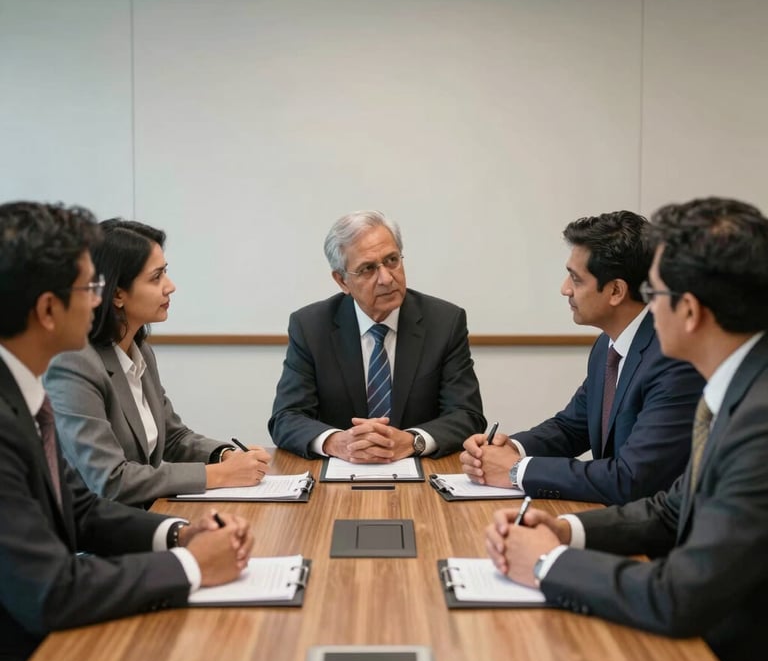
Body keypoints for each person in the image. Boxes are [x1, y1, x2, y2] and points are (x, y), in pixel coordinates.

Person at [484, 197, 768, 661]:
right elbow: (670, 507)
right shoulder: (742, 387)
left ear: (690, 311)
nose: (645, 304)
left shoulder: (758, 420)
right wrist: (563, 529)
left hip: (731, 656)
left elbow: (680, 595)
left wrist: (547, 564)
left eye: (653, 292)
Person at [0, 201, 254, 661]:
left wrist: (182, 534)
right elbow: (50, 590)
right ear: (48, 310)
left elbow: (83, 509)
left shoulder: (24, 397)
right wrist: (192, 565)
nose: (97, 301)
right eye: (89, 288)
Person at [461, 211, 704, 505]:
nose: (565, 289)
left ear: (616, 291)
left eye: (576, 279)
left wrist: (515, 470)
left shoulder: (672, 360)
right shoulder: (608, 345)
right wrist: (510, 448)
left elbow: (630, 478)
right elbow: (571, 428)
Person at [43, 219, 270, 508]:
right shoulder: (72, 365)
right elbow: (110, 481)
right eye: (156, 277)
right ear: (116, 294)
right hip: (92, 541)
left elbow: (174, 437)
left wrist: (224, 455)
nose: (170, 287)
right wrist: (219, 474)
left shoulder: (139, 352)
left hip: (142, 517)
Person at [269, 210, 485, 462]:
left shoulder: (444, 322)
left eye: (392, 260)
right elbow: (286, 417)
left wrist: (414, 441)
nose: (386, 278)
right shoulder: (310, 326)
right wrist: (335, 442)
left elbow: (467, 414)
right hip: (336, 478)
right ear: (342, 281)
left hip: (422, 475)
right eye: (367, 269)